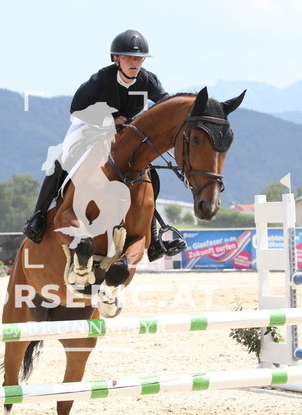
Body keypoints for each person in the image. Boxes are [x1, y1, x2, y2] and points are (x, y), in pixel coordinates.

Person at [23, 29, 186, 261]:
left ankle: (153, 236)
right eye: (128, 57)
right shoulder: (100, 79)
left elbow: (164, 103)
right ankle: (38, 218)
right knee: (62, 159)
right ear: (116, 58)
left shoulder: (147, 80)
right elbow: (77, 109)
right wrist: (109, 120)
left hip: (127, 133)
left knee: (149, 173)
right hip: (91, 125)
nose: (134, 62)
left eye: (139, 58)